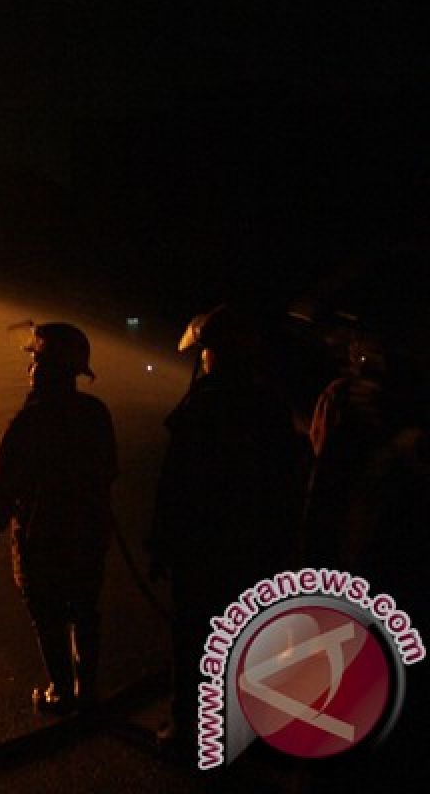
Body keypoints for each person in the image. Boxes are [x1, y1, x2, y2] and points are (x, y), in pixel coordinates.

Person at [147, 304, 302, 758]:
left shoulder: (201, 406)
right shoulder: (270, 406)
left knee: (194, 636)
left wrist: (162, 543)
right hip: (257, 548)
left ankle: (190, 728)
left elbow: (176, 485)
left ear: (211, 353)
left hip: (203, 548)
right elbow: (287, 482)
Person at [0, 321, 117, 713]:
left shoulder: (28, 422)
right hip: (88, 534)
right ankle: (87, 691)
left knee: (48, 612)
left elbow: (4, 484)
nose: (30, 369)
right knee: (84, 607)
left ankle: (61, 690)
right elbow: (108, 472)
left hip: (42, 537)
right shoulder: (95, 415)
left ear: (47, 368)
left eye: (35, 361)